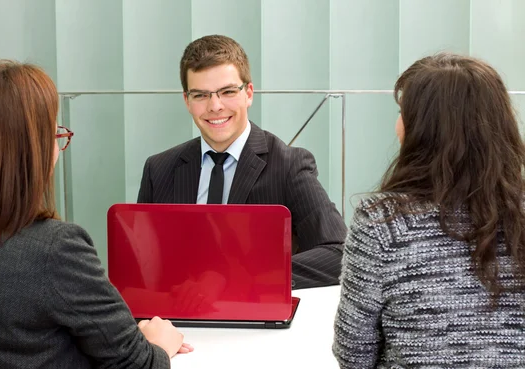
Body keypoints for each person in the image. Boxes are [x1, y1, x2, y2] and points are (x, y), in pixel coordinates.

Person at [0, 60, 192, 369]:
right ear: (30, 152)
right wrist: (160, 342)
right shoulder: (56, 248)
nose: (57, 148)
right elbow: (137, 364)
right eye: (54, 135)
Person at [333, 53, 525, 368]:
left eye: (401, 113)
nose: (397, 125)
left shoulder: (381, 222)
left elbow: (354, 355)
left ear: (422, 128)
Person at [137, 35, 347, 289]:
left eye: (227, 92)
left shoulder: (289, 165)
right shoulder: (158, 170)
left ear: (248, 93)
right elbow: (141, 266)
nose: (215, 106)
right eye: (201, 95)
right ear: (187, 101)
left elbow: (339, 253)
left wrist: (242, 280)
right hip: (178, 318)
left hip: (256, 321)